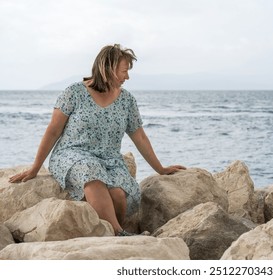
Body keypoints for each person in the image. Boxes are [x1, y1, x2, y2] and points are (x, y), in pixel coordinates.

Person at [9, 44, 186, 236]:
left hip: (109, 160)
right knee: (90, 170)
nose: (127, 77)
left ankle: (108, 233)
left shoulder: (127, 101)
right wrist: (35, 168)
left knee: (119, 194)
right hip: (72, 154)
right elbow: (53, 131)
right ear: (108, 68)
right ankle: (119, 234)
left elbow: (140, 137)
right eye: (124, 71)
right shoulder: (74, 93)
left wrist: (160, 168)